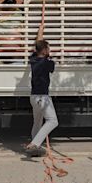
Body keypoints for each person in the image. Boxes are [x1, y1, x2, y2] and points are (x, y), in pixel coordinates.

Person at [25, 23, 58, 156]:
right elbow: (50, 66)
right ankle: (35, 144)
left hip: (34, 97)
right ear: (44, 50)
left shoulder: (33, 59)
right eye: (48, 48)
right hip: (42, 97)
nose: (49, 49)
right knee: (53, 121)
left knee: (37, 123)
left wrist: (40, 30)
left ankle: (34, 147)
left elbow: (38, 45)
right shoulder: (48, 63)